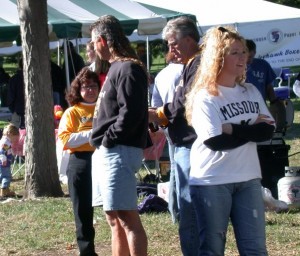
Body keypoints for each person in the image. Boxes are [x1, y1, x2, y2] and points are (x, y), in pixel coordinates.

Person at [185, 26, 275, 255]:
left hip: (249, 178)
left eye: (244, 52)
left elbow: (268, 131)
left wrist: (232, 128)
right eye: (235, 52)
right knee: (213, 248)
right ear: (218, 58)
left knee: (256, 248)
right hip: (211, 180)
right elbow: (215, 141)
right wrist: (249, 129)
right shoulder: (206, 96)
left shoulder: (251, 90)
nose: (243, 57)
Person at [90, 15, 148, 256]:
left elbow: (131, 112)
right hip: (108, 151)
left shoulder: (128, 68)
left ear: (102, 40)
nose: (93, 48)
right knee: (113, 216)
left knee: (126, 216)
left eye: (93, 43)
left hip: (118, 151)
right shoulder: (117, 67)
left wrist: (109, 138)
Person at [148, 16, 201, 255]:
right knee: (182, 203)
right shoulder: (189, 65)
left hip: (190, 144)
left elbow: (181, 103)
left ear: (189, 39)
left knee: (188, 208)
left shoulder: (198, 64)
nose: (169, 50)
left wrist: (157, 114)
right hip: (180, 143)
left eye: (173, 43)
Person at [57, 67, 100, 256]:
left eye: (93, 86)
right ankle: (87, 251)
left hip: (103, 160)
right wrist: (94, 133)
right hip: (80, 162)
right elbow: (66, 139)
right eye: (85, 87)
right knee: (82, 211)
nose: (90, 90)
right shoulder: (72, 112)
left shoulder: (105, 107)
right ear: (78, 90)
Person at [151, 51, 183, 224]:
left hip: (168, 125)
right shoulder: (186, 70)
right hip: (186, 125)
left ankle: (175, 211)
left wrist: (163, 126)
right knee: (181, 171)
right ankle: (180, 211)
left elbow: (155, 105)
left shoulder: (161, 75)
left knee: (175, 171)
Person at [246, 39, 286, 132]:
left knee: (262, 133)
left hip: (260, 106)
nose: (247, 60)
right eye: (245, 56)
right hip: (243, 107)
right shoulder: (237, 66)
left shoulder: (263, 65)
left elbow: (268, 86)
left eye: (250, 56)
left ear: (254, 52)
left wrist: (274, 101)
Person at [0, 123, 19, 197]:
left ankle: (5, 189)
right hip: (4, 163)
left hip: (3, 163)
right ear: (9, 134)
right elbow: (2, 152)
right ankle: (4, 190)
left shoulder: (4, 141)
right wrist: (4, 159)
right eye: (14, 137)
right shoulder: (6, 142)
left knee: (2, 176)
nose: (15, 140)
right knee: (6, 176)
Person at [7, 58, 25, 129]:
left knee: (17, 136)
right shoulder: (37, 78)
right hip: (20, 111)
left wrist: (13, 110)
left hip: (18, 111)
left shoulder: (14, 79)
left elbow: (10, 97)